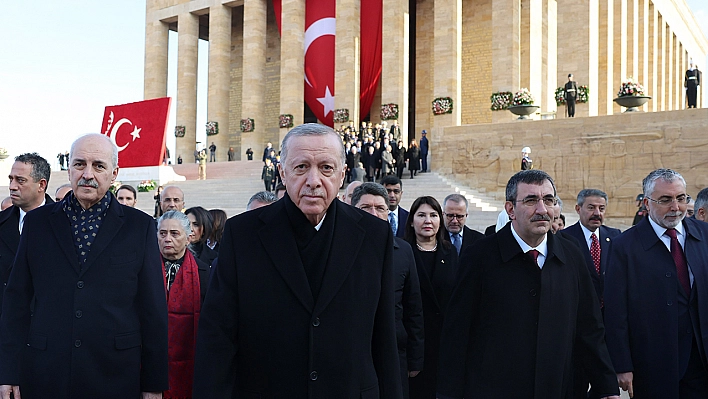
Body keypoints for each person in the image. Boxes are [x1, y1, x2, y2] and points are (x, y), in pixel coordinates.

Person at [192, 123, 402, 398]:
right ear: (282, 172)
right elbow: (218, 335)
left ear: (342, 175)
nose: (313, 181)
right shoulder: (243, 233)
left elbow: (384, 335)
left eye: (326, 168)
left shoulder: (374, 235)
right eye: (301, 167)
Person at [0, 134, 168, 399]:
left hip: (115, 375)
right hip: (45, 374)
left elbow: (153, 310)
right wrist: (8, 371)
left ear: (114, 173)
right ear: (69, 170)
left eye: (98, 166)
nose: (87, 174)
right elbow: (16, 301)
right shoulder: (37, 224)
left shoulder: (140, 227)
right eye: (79, 164)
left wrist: (153, 384)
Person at [437, 170, 619, 399]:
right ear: (510, 209)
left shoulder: (571, 254)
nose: (543, 210)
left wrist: (606, 386)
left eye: (549, 200)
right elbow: (457, 334)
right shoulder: (479, 257)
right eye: (531, 200)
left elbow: (589, 327)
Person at [605, 168, 708, 399]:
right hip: (653, 363)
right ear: (647, 203)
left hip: (701, 361)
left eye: (681, 198)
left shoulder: (704, 235)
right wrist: (622, 364)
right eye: (666, 200)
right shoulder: (624, 247)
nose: (676, 207)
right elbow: (615, 311)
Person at [351, 183, 424, 399]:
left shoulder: (404, 251)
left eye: (380, 208)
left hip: (394, 352)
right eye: (366, 208)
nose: (374, 214)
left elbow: (414, 308)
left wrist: (415, 358)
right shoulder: (339, 251)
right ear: (352, 209)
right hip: (352, 353)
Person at [562, 189, 622, 398]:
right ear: (578, 209)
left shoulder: (615, 237)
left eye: (601, 208)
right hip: (578, 329)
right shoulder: (563, 239)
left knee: (604, 386)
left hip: (608, 328)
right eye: (591, 207)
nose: (597, 213)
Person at [404, 196, 458, 399]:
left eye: (433, 215)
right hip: (414, 343)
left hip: (443, 344)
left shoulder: (450, 252)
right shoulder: (401, 251)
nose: (428, 220)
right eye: (421, 215)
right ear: (411, 220)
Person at [157, 210, 210, 399]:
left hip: (192, 359)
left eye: (174, 233)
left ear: (188, 238)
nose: (167, 239)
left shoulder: (204, 272)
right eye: (162, 234)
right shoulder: (144, 270)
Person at [0, 153, 53, 321]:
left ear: (41, 185)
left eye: (20, 180)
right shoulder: (2, 223)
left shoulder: (67, 223)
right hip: (7, 329)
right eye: (11, 179)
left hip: (50, 328)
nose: (12, 186)